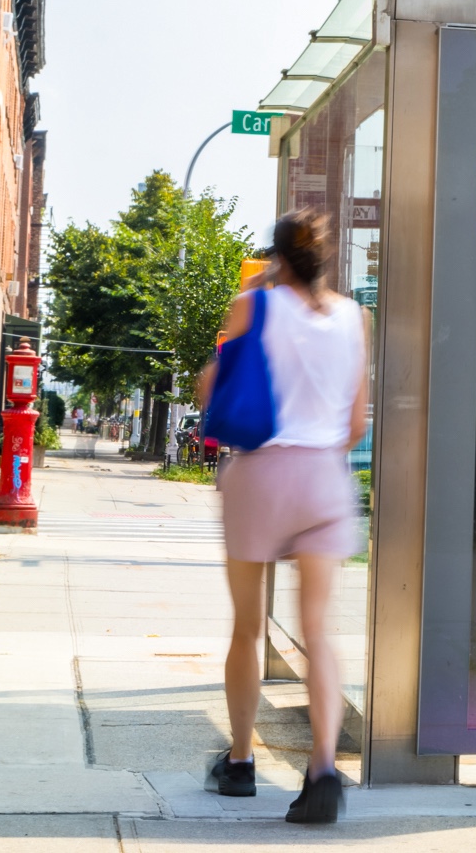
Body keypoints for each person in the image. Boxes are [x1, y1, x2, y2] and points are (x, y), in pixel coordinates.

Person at [197, 210, 369, 825]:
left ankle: (240, 761)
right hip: (326, 477)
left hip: (262, 473)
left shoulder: (255, 306)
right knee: (318, 630)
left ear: (276, 255)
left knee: (248, 627)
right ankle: (322, 769)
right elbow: (355, 423)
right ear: (327, 258)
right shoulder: (354, 318)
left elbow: (210, 391)